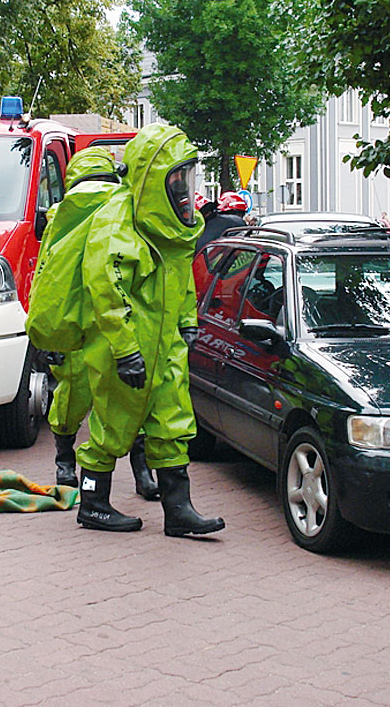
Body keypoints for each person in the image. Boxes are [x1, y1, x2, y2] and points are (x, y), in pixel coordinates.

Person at [74, 123, 225, 537]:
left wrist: (188, 324)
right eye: (177, 178)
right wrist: (124, 349)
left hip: (166, 346)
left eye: (186, 177)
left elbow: (181, 283)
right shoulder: (116, 226)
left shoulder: (171, 230)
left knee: (172, 424)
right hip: (124, 349)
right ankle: (92, 504)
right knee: (111, 427)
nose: (184, 190)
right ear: (151, 177)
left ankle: (179, 511)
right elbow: (106, 292)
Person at [27, 147, 159, 499]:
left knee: (71, 395)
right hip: (119, 318)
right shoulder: (125, 205)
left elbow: (46, 278)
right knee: (132, 394)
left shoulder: (60, 215)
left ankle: (65, 463)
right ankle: (143, 474)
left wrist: (46, 335)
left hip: (75, 321)